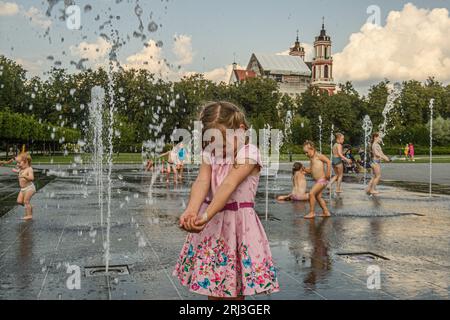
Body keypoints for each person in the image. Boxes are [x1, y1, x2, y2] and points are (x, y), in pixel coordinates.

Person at [173, 101, 279, 300]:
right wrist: (191, 210)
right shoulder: (211, 153)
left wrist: (205, 215)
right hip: (213, 227)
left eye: (222, 144)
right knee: (213, 287)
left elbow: (228, 184)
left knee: (234, 289)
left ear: (240, 131)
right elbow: (202, 181)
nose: (218, 150)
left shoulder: (249, 153)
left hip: (237, 227)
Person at [302, 141, 332, 219]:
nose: (306, 154)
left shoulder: (318, 156)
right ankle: (326, 212)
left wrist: (328, 174)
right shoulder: (312, 159)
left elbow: (328, 161)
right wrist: (304, 170)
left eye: (307, 152)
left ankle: (312, 212)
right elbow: (312, 170)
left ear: (312, 149)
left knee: (311, 194)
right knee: (318, 196)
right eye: (304, 153)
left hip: (323, 179)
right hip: (319, 181)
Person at [16, 152, 36, 220]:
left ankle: (29, 215)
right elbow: (19, 171)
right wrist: (16, 171)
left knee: (26, 201)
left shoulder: (29, 169)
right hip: (23, 189)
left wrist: (24, 176)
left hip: (29, 188)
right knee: (19, 201)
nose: (18, 164)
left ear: (26, 161)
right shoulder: (22, 169)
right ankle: (29, 207)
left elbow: (32, 178)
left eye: (19, 162)